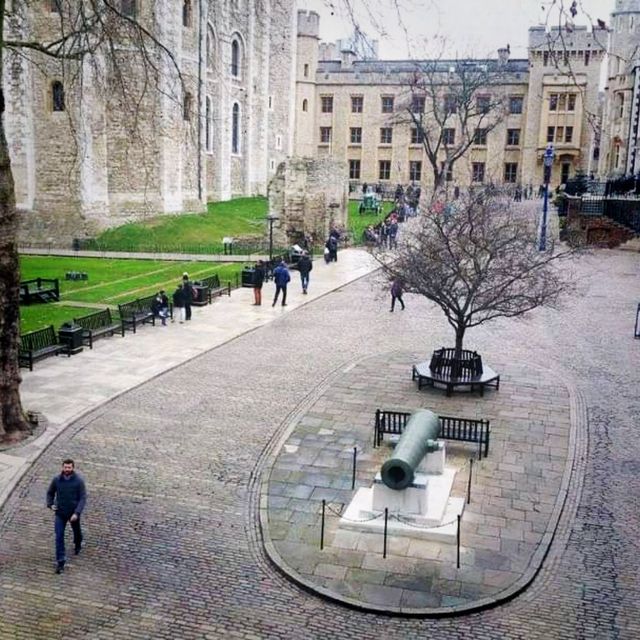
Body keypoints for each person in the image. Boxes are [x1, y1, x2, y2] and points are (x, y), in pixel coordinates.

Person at [46, 459, 87, 574]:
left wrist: (77, 513)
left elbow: (83, 498)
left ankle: (78, 543)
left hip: (73, 513)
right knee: (59, 536)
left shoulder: (79, 481)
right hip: (60, 513)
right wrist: (50, 504)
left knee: (77, 532)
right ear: (62, 467)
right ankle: (60, 561)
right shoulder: (57, 480)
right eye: (65, 467)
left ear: (72, 468)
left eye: (69, 467)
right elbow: (50, 493)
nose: (67, 469)